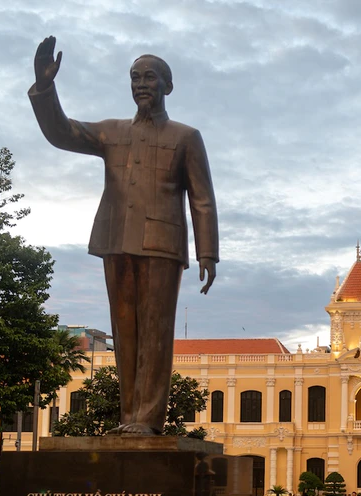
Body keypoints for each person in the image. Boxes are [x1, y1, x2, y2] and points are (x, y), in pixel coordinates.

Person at [29, 37, 219, 435]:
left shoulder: (186, 136)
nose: (141, 84)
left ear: (168, 85)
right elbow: (62, 132)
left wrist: (208, 253)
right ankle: (129, 417)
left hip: (162, 246)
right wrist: (45, 87)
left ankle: (148, 420)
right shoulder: (111, 132)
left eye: (149, 77)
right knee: (125, 333)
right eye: (135, 78)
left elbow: (202, 198)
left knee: (155, 332)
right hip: (116, 241)